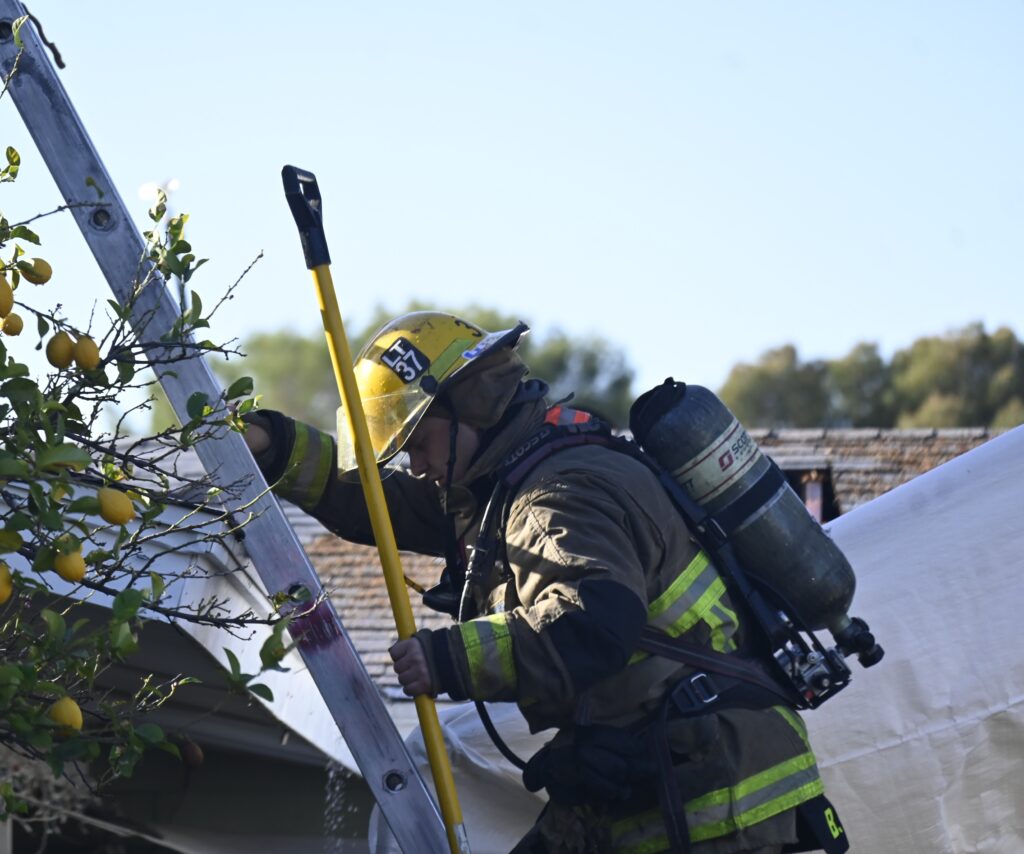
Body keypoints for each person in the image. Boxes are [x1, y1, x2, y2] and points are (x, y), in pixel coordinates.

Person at [242, 310, 840, 854]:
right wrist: (275, 447)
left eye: (418, 443)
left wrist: (447, 659)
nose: (415, 466)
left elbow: (592, 623)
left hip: (717, 795)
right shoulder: (506, 482)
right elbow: (380, 502)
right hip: (656, 766)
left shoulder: (552, 497)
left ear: (470, 406)